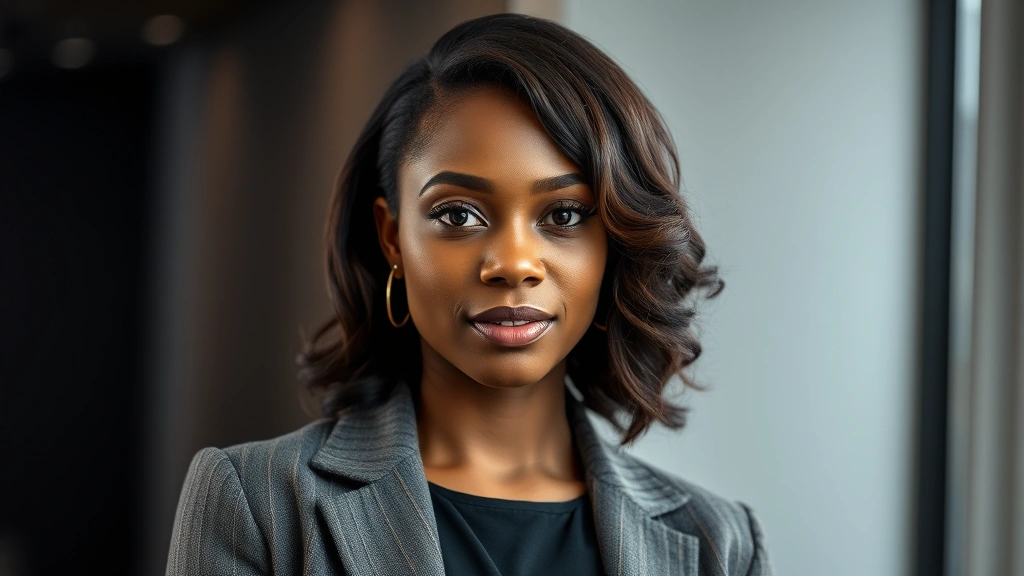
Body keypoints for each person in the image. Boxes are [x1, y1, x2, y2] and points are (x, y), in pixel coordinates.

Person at [166, 13, 772, 576]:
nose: (513, 265)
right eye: (457, 215)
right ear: (392, 237)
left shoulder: (720, 544)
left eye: (563, 215)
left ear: (614, 240)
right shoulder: (254, 502)